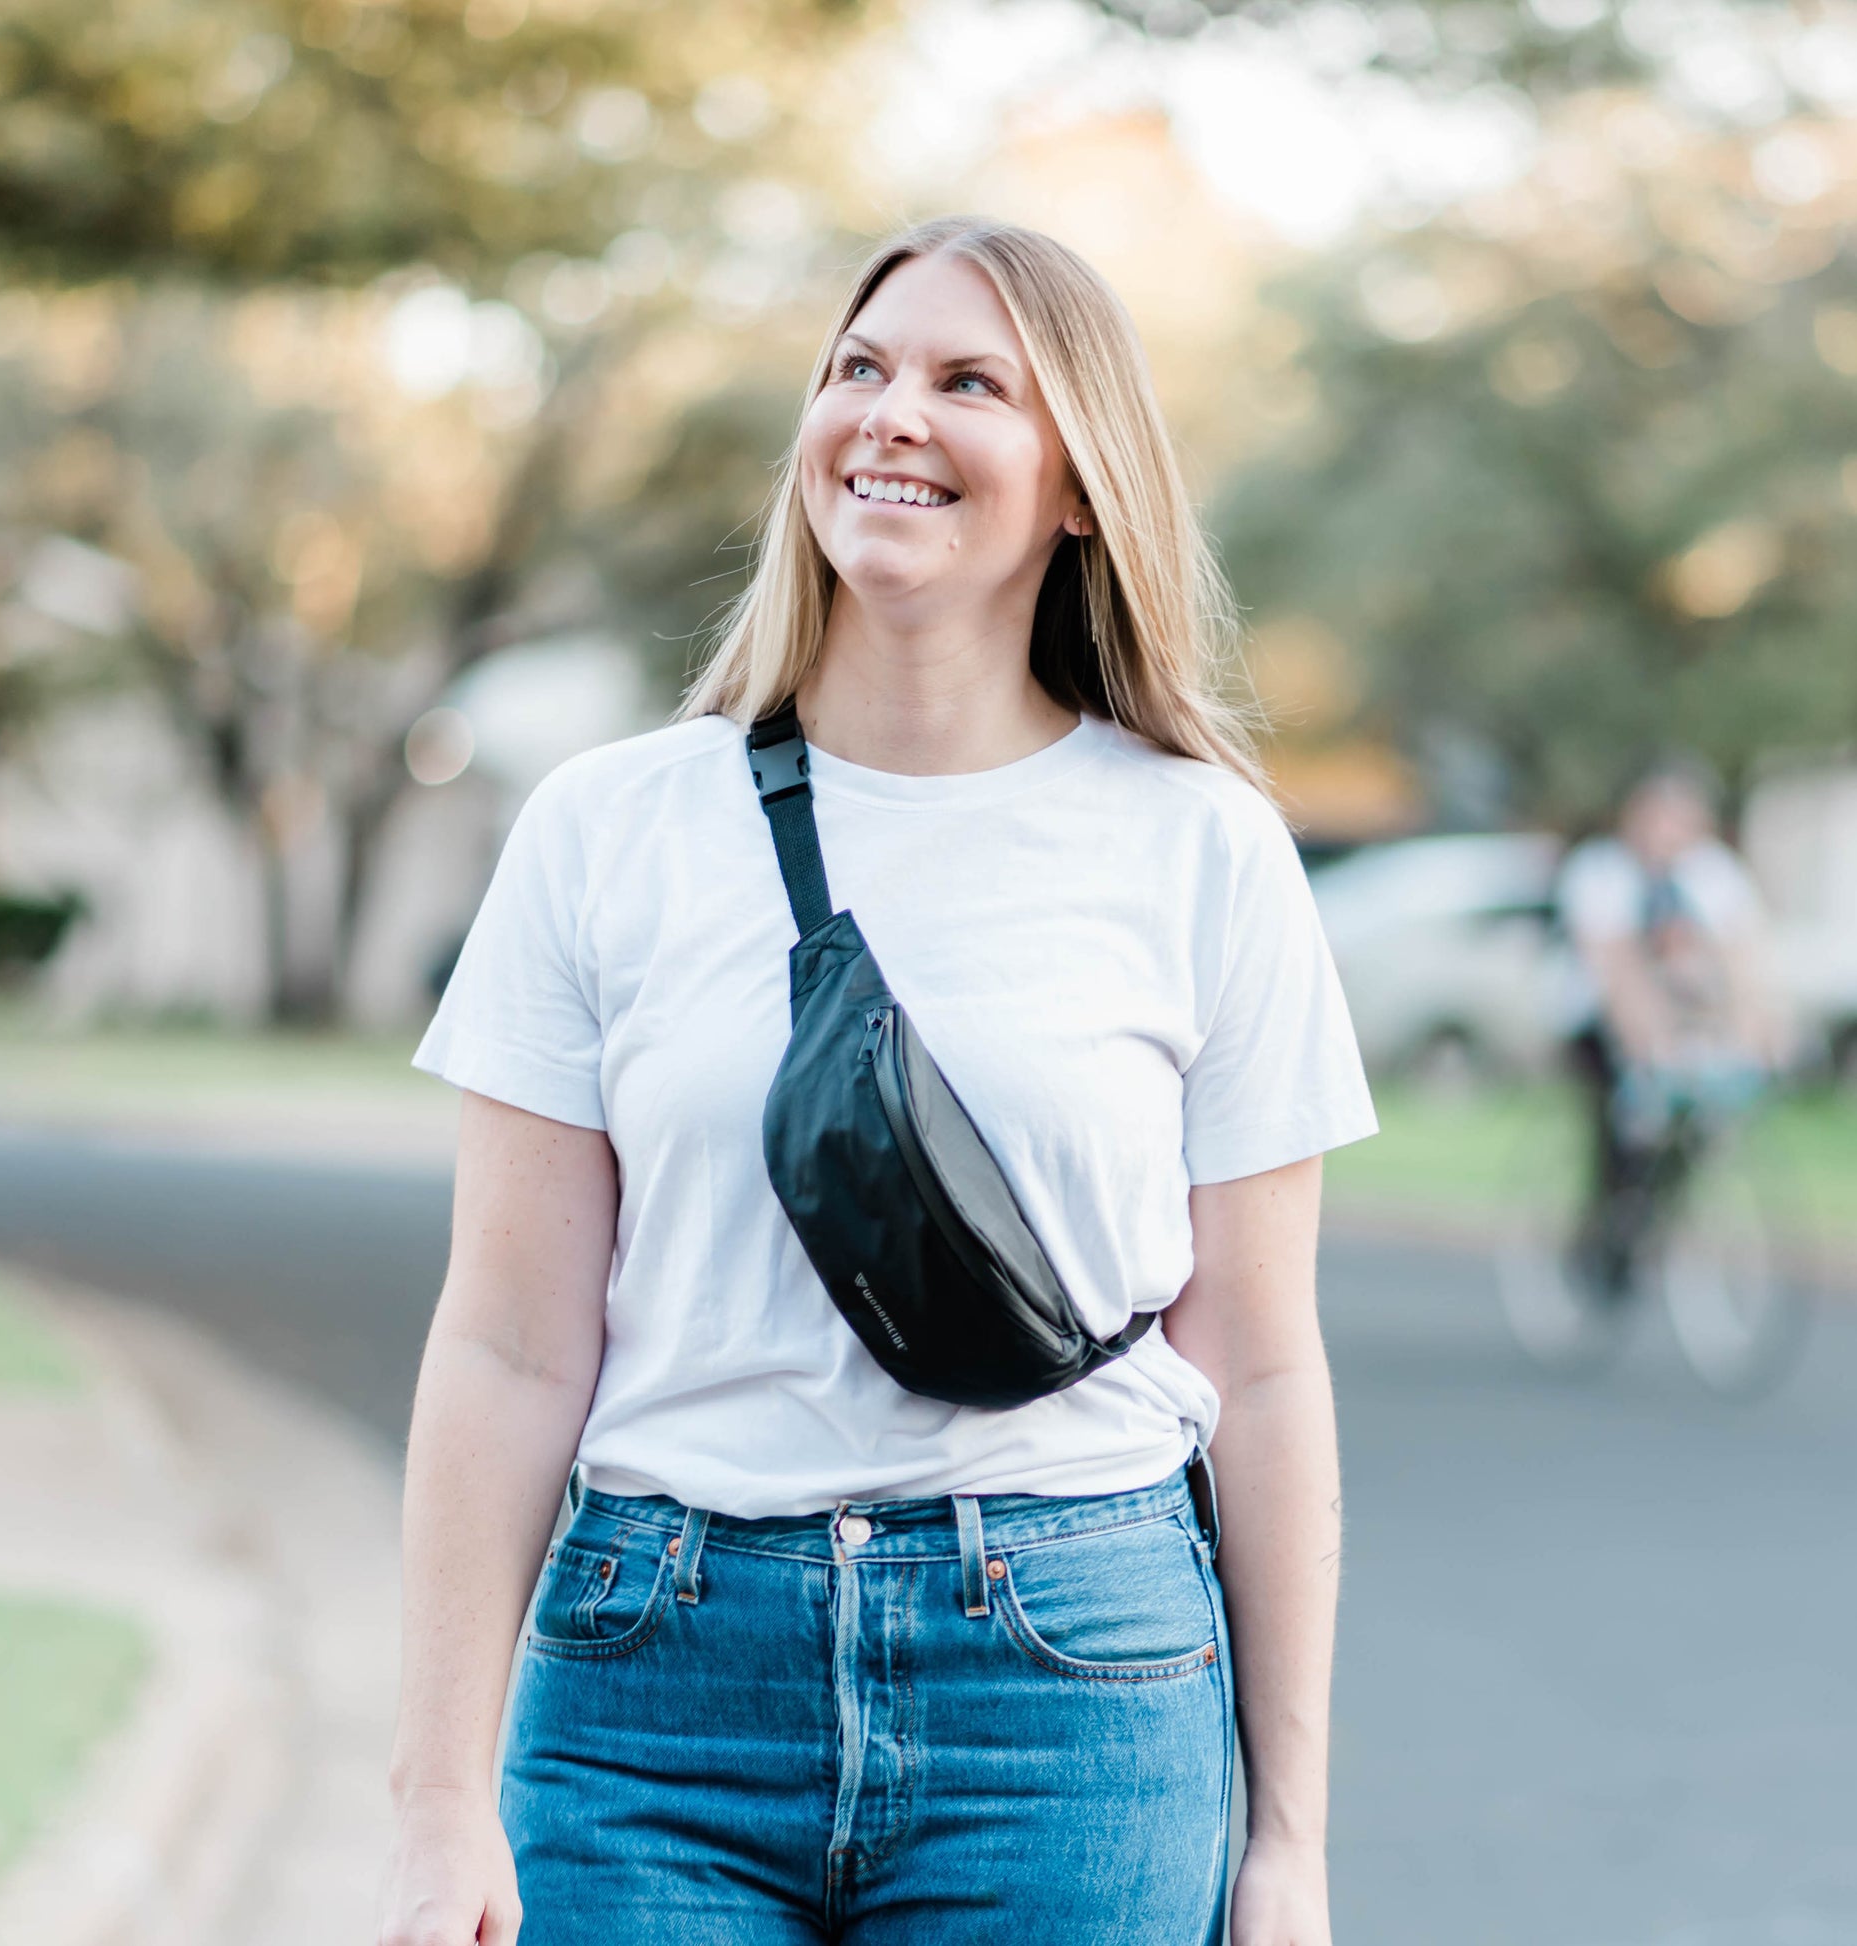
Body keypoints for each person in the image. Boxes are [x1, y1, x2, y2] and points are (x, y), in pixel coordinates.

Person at [376, 215, 1379, 1946]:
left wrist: (1289, 1844)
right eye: (859, 369)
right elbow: (509, 1340)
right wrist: (434, 1793)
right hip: (648, 1687)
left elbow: (1265, 1369)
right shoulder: (609, 832)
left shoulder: (1202, 848)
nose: (890, 414)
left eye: (967, 381)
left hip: (1073, 1687)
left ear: (1078, 486)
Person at [1553, 755, 1789, 1293]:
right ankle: (1606, 1225)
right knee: (1620, 1129)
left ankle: (1664, 1212)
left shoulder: (1713, 874)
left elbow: (1743, 959)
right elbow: (1617, 971)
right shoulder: (1601, 872)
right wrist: (1649, 1046)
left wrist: (1756, 1032)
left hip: (1683, 1012)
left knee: (1700, 1122)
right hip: (1596, 1017)